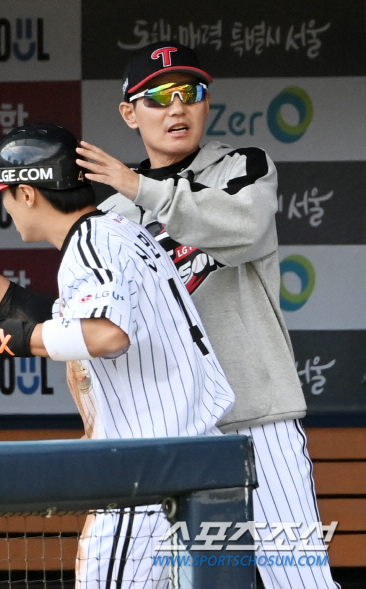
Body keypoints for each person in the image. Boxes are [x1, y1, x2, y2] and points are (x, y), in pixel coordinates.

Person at [74, 42, 338, 589]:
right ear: (129, 113)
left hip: (259, 421)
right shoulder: (111, 217)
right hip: (172, 431)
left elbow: (246, 229)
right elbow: (105, 326)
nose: (177, 108)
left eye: (189, 93)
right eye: (159, 98)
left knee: (301, 582)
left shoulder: (243, 167)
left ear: (206, 102)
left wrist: (139, 186)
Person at [0, 123, 236, 588]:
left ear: (28, 194)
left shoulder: (93, 242)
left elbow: (105, 335)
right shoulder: (114, 230)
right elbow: (70, 319)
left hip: (147, 478)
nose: (5, 205)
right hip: (188, 467)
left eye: (5, 194)